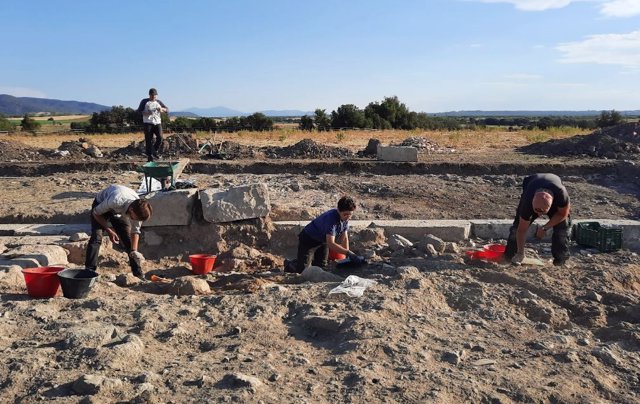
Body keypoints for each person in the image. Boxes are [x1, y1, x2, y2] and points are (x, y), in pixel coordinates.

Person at [85, 184, 153, 279]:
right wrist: (109, 230)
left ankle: (138, 273)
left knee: (127, 239)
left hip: (119, 210)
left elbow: (135, 232)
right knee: (97, 237)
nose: (135, 220)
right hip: (101, 204)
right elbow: (96, 213)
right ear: (131, 210)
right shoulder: (116, 200)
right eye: (134, 218)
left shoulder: (139, 210)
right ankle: (89, 271)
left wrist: (134, 251)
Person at [503, 173, 571, 266]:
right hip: (532, 185)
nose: (539, 214)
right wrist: (520, 253)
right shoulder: (527, 203)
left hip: (554, 191)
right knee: (516, 229)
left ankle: (560, 261)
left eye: (542, 211)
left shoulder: (561, 194)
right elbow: (521, 230)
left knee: (562, 229)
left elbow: (563, 214)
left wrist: (545, 227)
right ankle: (509, 257)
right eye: (536, 211)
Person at [288, 196, 362, 273]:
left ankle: (309, 264)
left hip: (323, 241)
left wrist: (347, 256)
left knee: (322, 266)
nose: (347, 217)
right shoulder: (331, 219)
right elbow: (331, 243)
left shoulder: (345, 219)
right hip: (308, 240)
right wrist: (348, 253)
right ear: (339, 210)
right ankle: (291, 265)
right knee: (303, 271)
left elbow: (345, 237)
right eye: (345, 214)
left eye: (350, 215)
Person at [137, 88, 168, 162]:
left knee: (160, 137)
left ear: (156, 95)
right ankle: (149, 156)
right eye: (152, 96)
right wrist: (146, 113)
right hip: (147, 123)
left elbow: (167, 109)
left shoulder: (159, 102)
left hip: (157, 122)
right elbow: (139, 111)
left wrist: (162, 109)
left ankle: (154, 151)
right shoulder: (144, 101)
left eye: (155, 96)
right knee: (148, 140)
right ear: (149, 95)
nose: (153, 97)